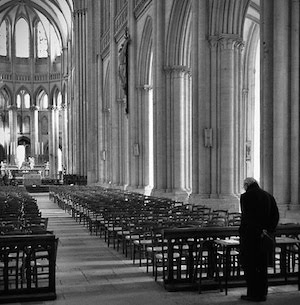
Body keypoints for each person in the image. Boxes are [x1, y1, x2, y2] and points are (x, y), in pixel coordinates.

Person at [239, 177, 279, 302]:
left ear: (246, 185)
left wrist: (244, 233)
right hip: (264, 238)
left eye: (244, 186)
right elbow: (275, 216)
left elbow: (247, 218)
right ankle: (263, 293)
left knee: (250, 266)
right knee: (262, 266)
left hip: (250, 238)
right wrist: (267, 231)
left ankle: (253, 294)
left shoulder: (245, 197)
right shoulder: (268, 196)